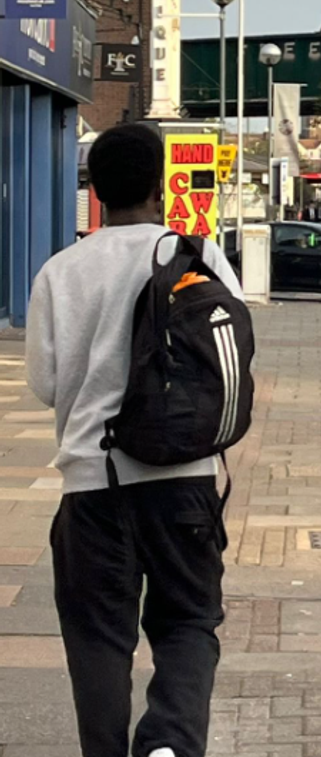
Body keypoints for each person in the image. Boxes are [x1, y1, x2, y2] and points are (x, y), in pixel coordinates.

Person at [26, 124, 245, 757]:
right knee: (187, 622)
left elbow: (44, 383)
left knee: (97, 636)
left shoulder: (60, 271)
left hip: (93, 487)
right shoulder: (197, 255)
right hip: (185, 479)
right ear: (160, 187)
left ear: (93, 190)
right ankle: (170, 743)